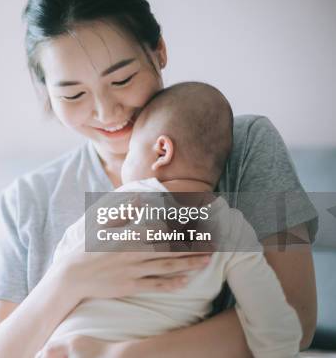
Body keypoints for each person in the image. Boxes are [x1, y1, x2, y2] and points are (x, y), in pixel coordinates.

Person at [0, 0, 317, 358]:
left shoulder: (247, 146)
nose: (106, 112)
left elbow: (297, 316)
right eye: (73, 94)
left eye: (122, 79)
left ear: (159, 51)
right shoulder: (25, 201)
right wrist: (69, 277)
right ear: (47, 92)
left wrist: (125, 353)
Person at [41, 82, 302, 358]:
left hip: (69, 344)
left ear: (161, 151)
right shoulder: (232, 229)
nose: (125, 164)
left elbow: (65, 261)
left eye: (130, 153)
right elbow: (273, 321)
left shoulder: (124, 202)